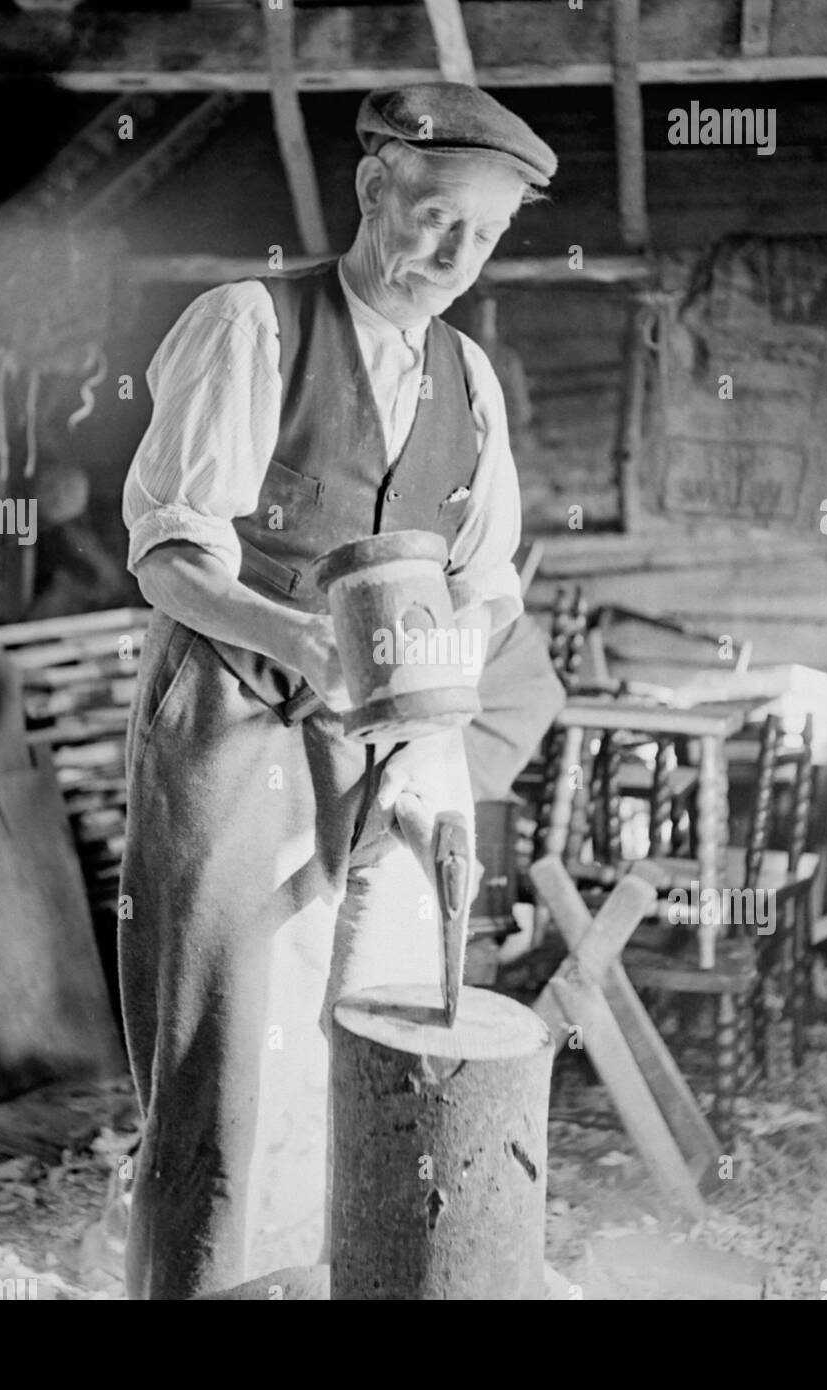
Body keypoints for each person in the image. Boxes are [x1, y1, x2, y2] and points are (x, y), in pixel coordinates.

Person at [119, 82, 561, 1299]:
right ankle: (199, 1289)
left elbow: (483, 590)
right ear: (373, 187)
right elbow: (167, 550)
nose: (453, 255)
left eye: (482, 235)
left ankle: (331, 1279)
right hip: (229, 717)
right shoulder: (252, 324)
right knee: (223, 1054)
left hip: (380, 742)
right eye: (431, 217)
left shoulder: (467, 379)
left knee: (373, 1020)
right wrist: (297, 638)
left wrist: (429, 743)